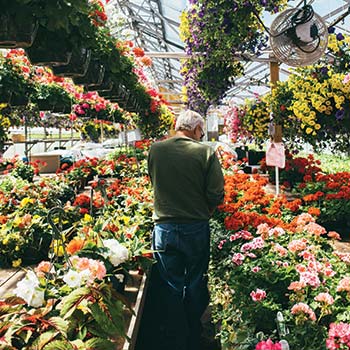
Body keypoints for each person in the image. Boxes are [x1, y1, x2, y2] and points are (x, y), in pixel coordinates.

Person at [147, 109, 224, 350]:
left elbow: (154, 180)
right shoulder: (206, 152)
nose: (202, 135)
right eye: (201, 131)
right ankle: (193, 330)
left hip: (164, 227)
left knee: (170, 282)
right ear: (196, 129)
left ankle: (172, 332)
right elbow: (216, 193)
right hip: (195, 226)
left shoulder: (155, 150)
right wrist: (206, 210)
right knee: (195, 280)